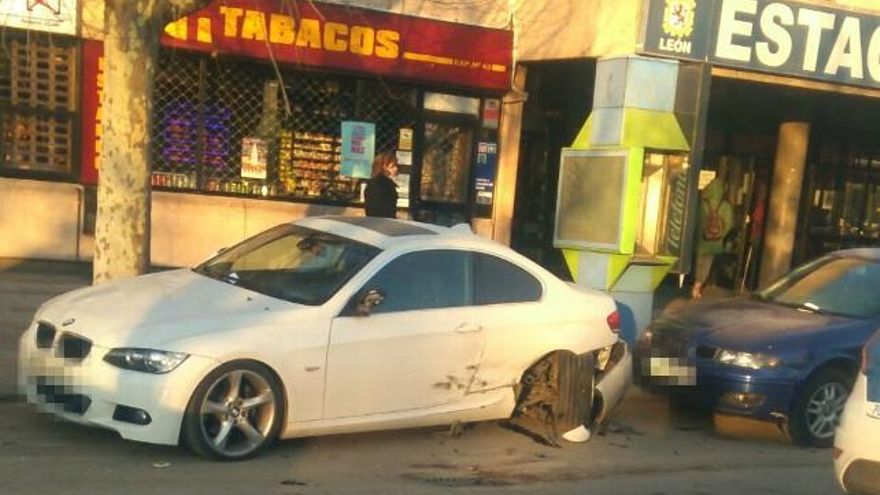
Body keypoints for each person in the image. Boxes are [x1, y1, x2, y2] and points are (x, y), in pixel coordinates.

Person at [692, 176, 734, 299]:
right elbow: (730, 223)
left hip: (702, 241)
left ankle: (696, 284)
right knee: (707, 264)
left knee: (699, 263)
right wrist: (720, 235)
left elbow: (696, 220)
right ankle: (698, 286)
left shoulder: (703, 203)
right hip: (716, 242)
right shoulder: (726, 206)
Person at [364, 152, 399, 218]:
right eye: (392, 167)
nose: (396, 169)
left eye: (396, 166)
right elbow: (379, 209)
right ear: (383, 167)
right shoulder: (382, 185)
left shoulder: (376, 183)